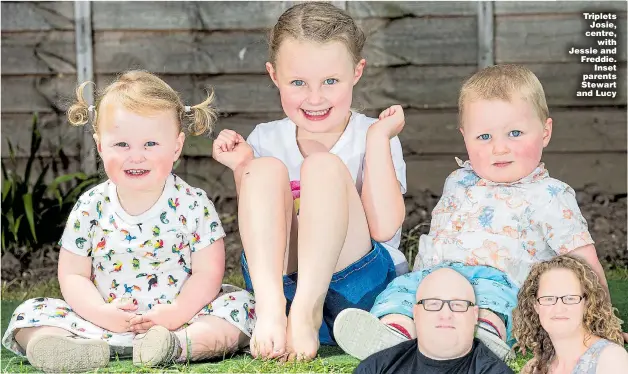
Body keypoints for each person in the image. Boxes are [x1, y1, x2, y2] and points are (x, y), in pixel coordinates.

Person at [333, 64, 627, 361]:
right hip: (436, 277)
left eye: (514, 133)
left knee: (495, 299)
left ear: (545, 131)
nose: (499, 148)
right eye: (484, 137)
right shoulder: (457, 180)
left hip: (503, 283)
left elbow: (583, 261)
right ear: (465, 137)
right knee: (403, 291)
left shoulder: (550, 195)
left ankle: (485, 335)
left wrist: (600, 322)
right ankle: (393, 334)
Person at [2, 71, 256, 372]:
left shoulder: (193, 203)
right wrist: (101, 312)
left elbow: (208, 273)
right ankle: (68, 349)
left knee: (242, 306)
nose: (136, 156)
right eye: (121, 145)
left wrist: (176, 313)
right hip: (100, 322)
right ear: (100, 145)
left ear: (176, 147)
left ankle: (175, 348)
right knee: (30, 313)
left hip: (181, 322)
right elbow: (73, 275)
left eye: (150, 144)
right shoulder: (90, 207)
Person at [211, 2, 407, 361]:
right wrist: (243, 167)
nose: (315, 98)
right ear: (274, 75)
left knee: (322, 168)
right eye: (298, 82)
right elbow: (262, 227)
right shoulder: (266, 138)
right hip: (280, 285)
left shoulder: (373, 135)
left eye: (330, 81)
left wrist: (379, 141)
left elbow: (384, 228)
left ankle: (307, 310)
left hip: (356, 284)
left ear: (357, 72)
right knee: (264, 169)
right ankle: (272, 312)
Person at [350, 268, 514, 374]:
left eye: (458, 305)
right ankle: (396, 328)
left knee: (499, 298)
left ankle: (489, 328)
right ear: (416, 313)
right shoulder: (376, 367)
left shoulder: (494, 371)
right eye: (433, 304)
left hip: (495, 275)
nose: (445, 314)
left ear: (474, 315)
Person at [513, 255, 628, 374]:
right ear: (535, 305)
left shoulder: (610, 359)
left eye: (570, 298)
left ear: (587, 302)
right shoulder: (537, 368)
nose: (559, 308)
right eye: (548, 298)